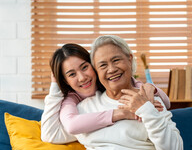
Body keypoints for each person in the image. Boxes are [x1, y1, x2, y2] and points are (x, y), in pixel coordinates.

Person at [44, 36, 184, 150]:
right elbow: (52, 133)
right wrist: (55, 86)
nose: (111, 69)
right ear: (97, 71)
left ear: (130, 60)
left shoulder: (151, 101)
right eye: (102, 65)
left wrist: (146, 110)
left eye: (116, 60)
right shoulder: (84, 110)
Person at [41, 43, 170, 144]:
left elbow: (166, 103)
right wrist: (54, 86)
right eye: (72, 74)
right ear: (65, 81)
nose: (82, 78)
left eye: (85, 67)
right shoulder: (71, 99)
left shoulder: (112, 84)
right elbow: (55, 132)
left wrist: (150, 88)